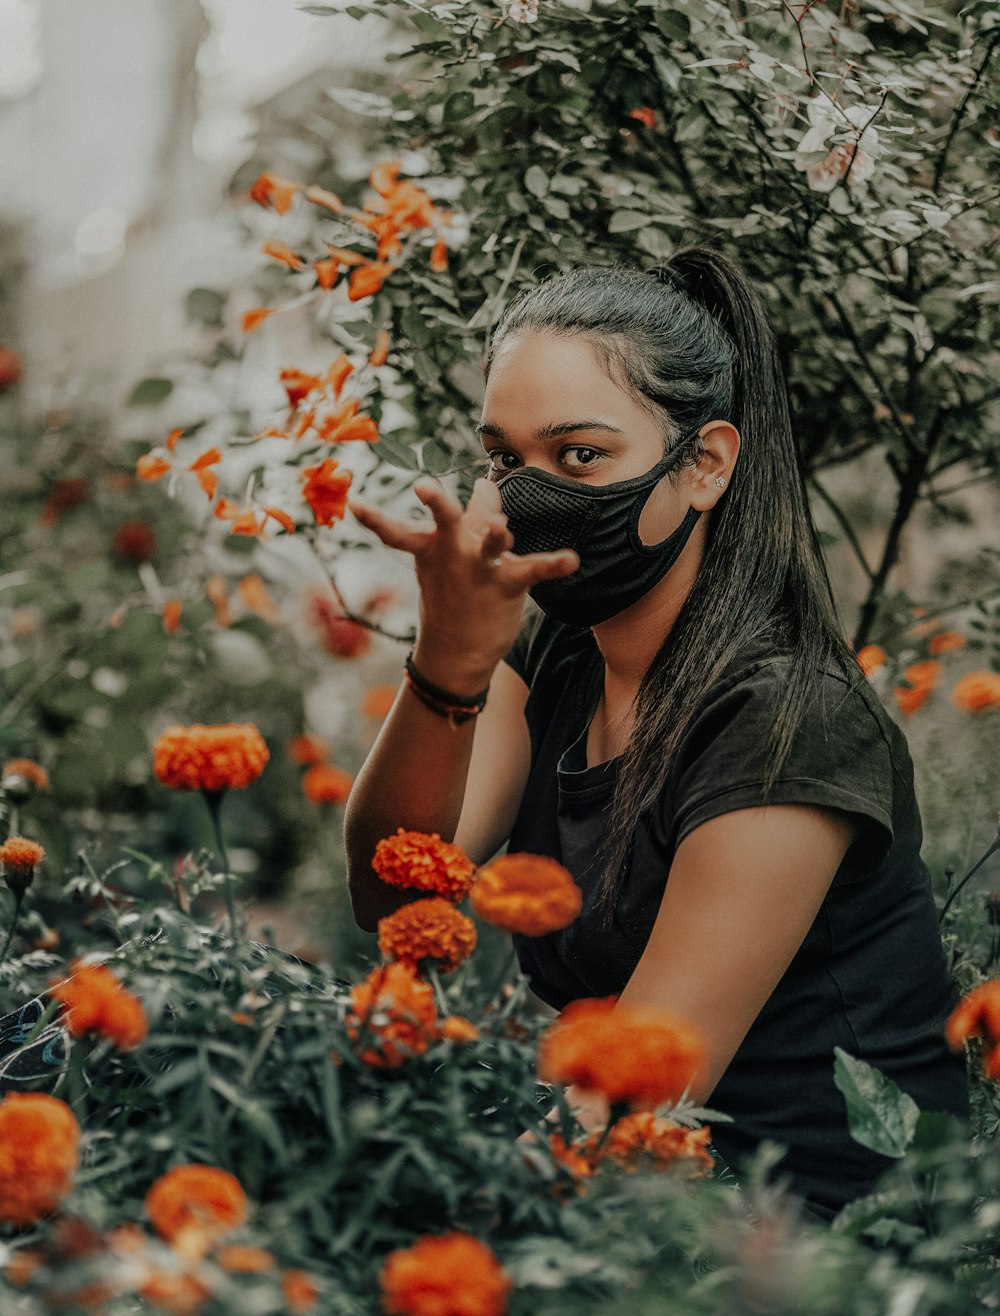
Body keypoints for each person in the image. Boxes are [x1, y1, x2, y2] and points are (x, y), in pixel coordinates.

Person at [343, 246, 969, 1222]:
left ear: (705, 465)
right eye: (505, 459)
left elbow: (637, 1092)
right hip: (615, 1200)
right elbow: (390, 891)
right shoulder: (555, 654)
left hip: (805, 1258)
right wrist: (448, 669)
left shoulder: (783, 722)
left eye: (580, 457)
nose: (525, 497)